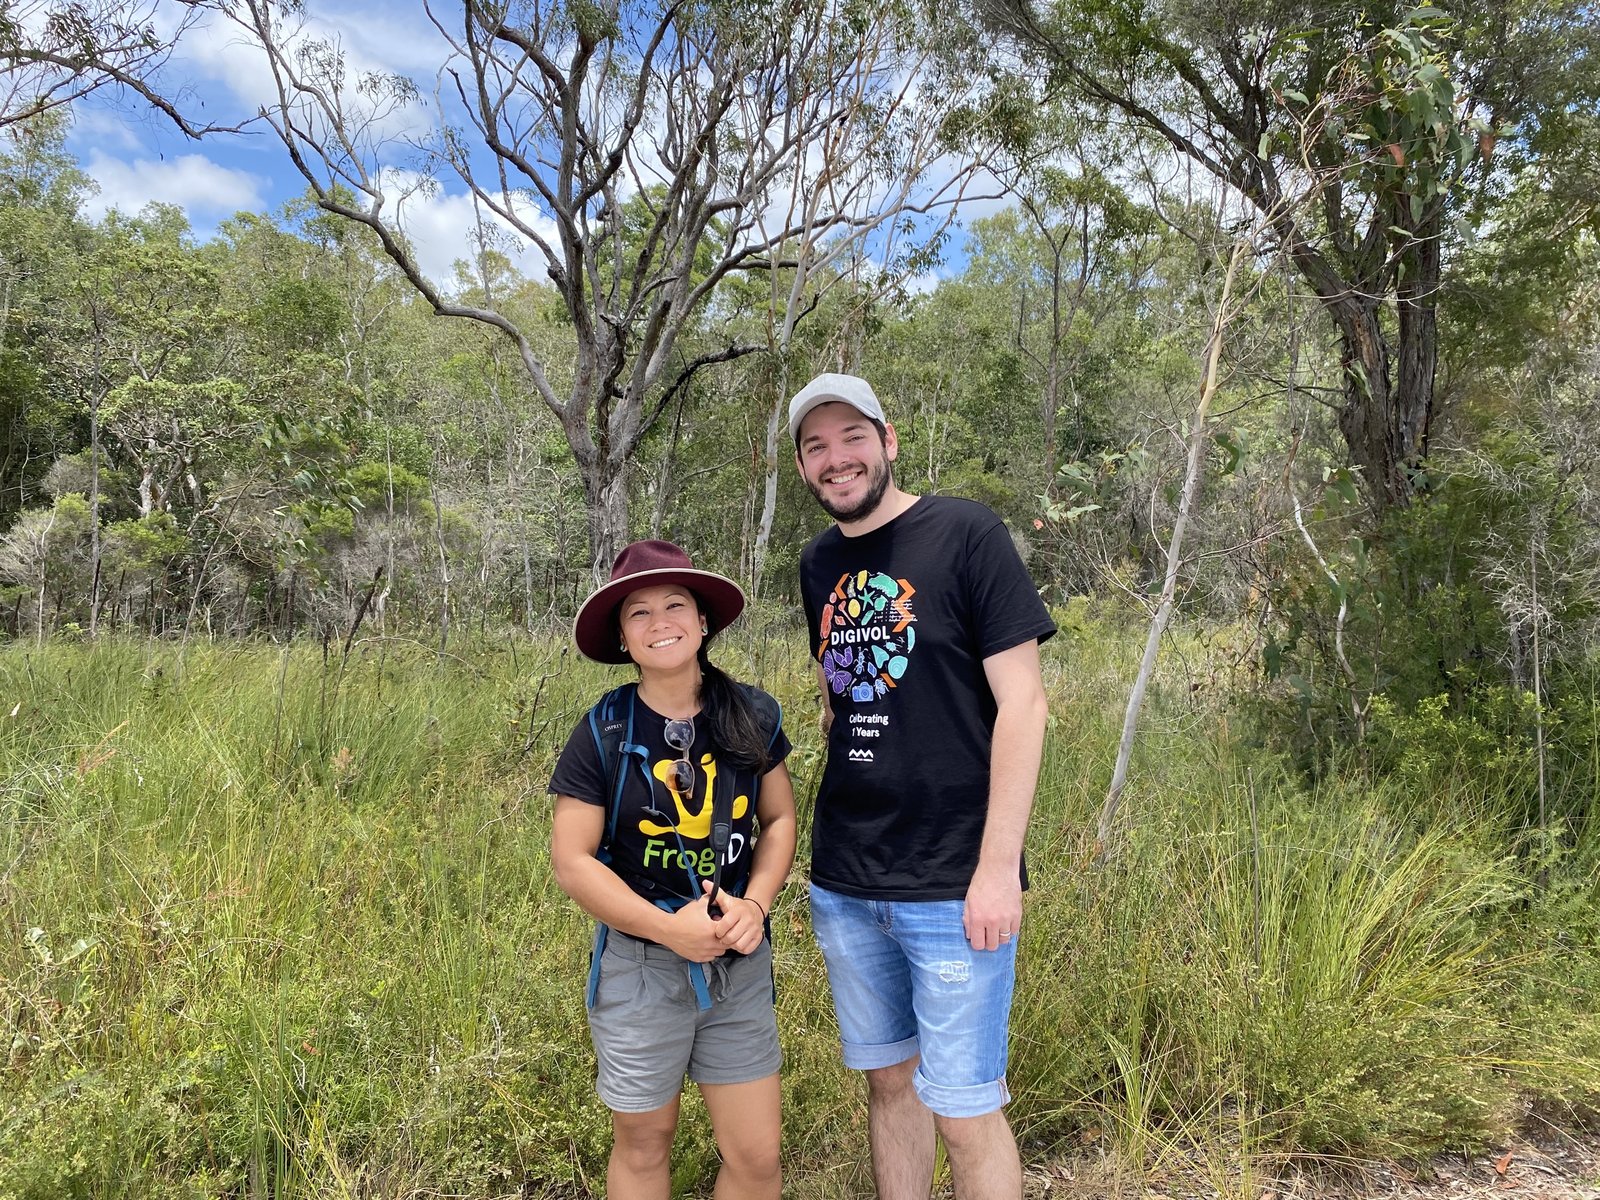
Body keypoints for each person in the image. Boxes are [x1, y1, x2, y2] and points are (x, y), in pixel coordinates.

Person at [790, 373, 1055, 1200]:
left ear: (888, 439)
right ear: (804, 467)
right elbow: (842, 698)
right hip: (846, 878)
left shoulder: (965, 534)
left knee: (966, 1108)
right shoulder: (816, 564)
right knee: (889, 1084)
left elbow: (1025, 703)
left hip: (953, 882)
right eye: (815, 446)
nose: (837, 459)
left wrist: (995, 869)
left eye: (852, 437)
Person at [548, 539, 797, 1200]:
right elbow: (572, 861)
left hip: (739, 962)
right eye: (639, 613)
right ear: (623, 639)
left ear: (704, 620)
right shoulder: (604, 728)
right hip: (640, 966)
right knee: (644, 1144)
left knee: (756, 1156)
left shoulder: (753, 713)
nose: (660, 622)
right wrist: (667, 930)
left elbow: (778, 822)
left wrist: (757, 905)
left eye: (675, 604)